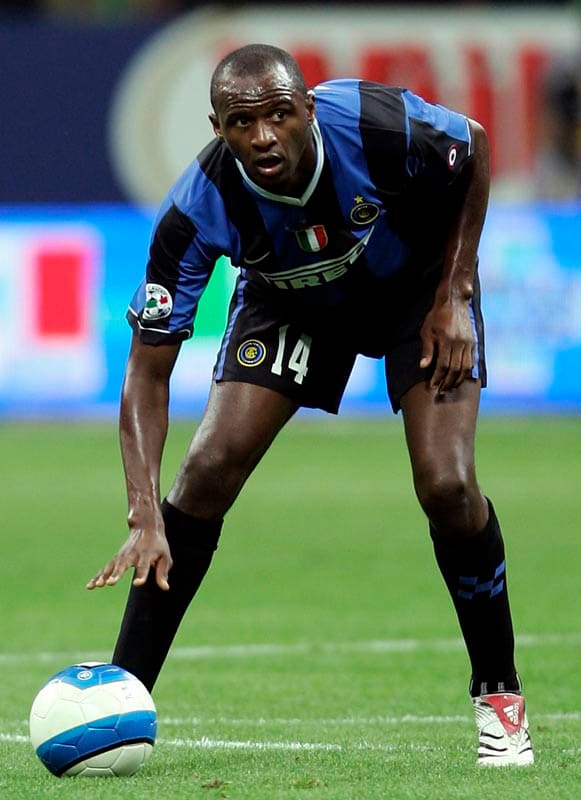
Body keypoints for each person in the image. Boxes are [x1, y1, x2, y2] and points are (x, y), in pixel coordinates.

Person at [87, 43, 533, 767]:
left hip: (418, 290)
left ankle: (499, 697)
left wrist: (454, 292)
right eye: (242, 123)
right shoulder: (196, 207)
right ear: (217, 128)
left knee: (447, 485)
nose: (263, 136)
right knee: (205, 473)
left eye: (279, 116)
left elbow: (473, 147)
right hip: (291, 302)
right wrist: (144, 512)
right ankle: (118, 700)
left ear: (308, 109)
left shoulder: (370, 122)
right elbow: (146, 371)